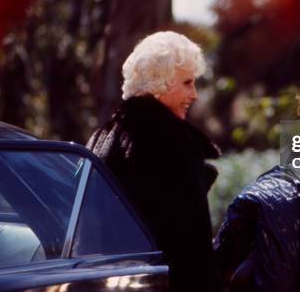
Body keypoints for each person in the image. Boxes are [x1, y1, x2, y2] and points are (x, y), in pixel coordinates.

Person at [86, 31, 223, 292]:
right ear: (160, 84)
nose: (194, 94)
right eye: (187, 83)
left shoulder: (102, 136)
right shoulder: (174, 143)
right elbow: (193, 249)